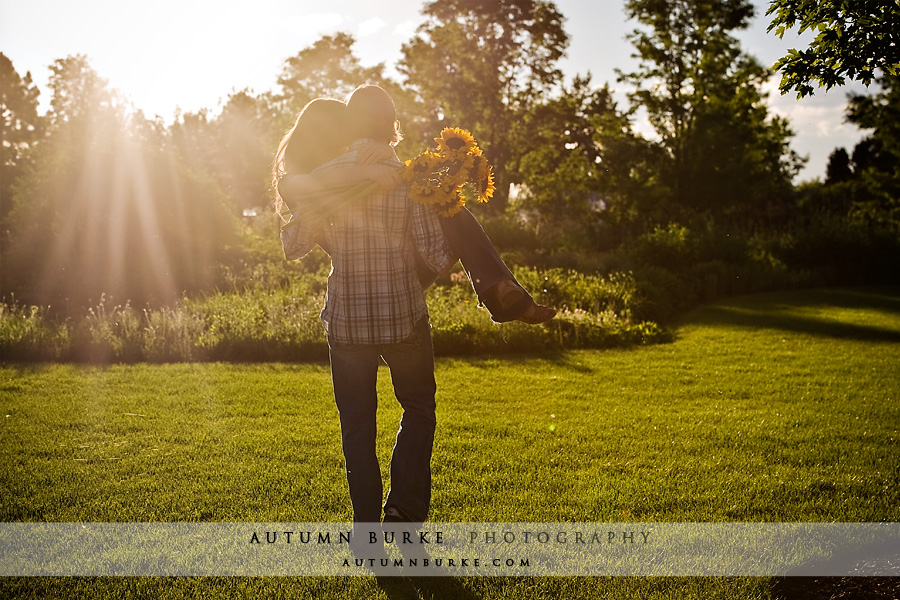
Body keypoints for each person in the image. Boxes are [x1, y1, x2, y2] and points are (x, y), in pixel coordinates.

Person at [274, 96, 449, 559]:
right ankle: (404, 515)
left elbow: (293, 246)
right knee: (418, 407)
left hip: (348, 320)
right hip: (402, 314)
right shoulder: (412, 178)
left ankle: (365, 532)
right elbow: (437, 255)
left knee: (357, 425)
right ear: (391, 123)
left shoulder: (329, 176)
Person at [275, 88, 555, 325]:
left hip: (395, 267)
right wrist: (369, 171)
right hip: (385, 277)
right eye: (346, 129)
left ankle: (502, 288)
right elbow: (313, 183)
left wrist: (388, 154)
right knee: (452, 212)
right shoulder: (293, 183)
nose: (353, 136)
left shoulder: (357, 160)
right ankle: (502, 289)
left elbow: (403, 189)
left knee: (450, 208)